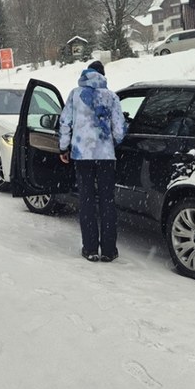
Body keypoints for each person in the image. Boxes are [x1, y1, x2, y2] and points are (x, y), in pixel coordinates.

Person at [58, 61, 127, 263]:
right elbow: (119, 131)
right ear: (103, 75)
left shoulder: (75, 95)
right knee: (107, 202)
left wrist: (63, 148)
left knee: (86, 201)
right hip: (106, 157)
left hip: (82, 156)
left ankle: (90, 249)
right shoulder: (111, 97)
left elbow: (65, 123)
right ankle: (108, 250)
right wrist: (110, 143)